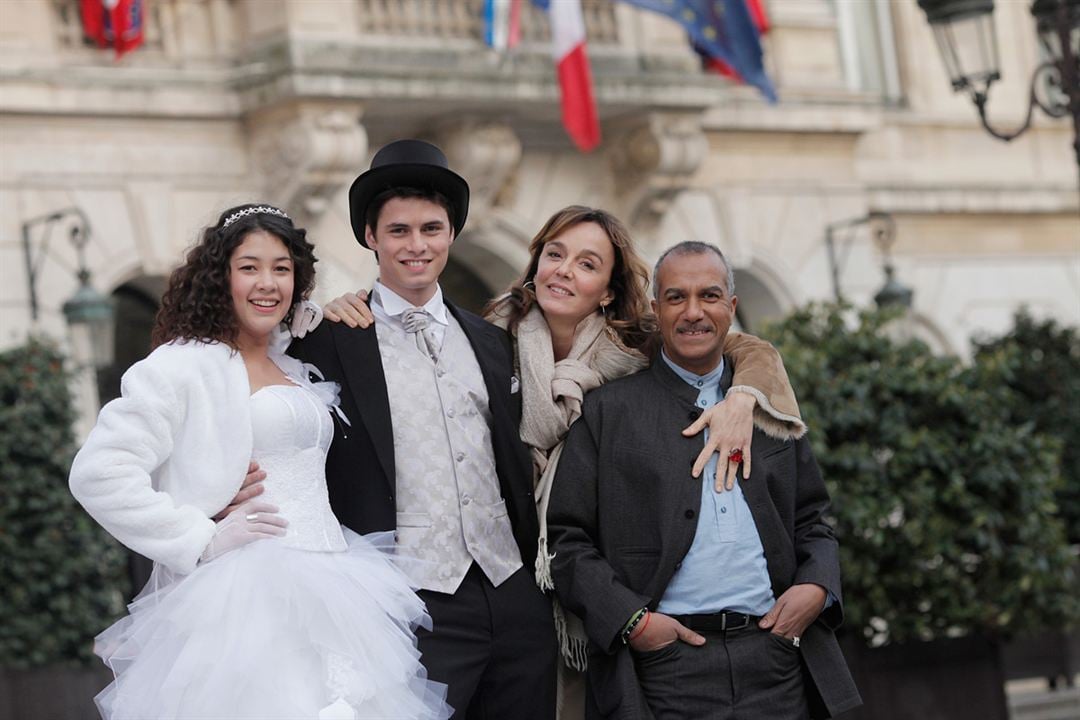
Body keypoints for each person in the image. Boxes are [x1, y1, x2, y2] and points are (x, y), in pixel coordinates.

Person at [323, 207, 808, 719]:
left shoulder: (636, 348)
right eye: (555, 255)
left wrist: (743, 397)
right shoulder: (492, 337)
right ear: (535, 265)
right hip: (517, 574)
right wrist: (359, 303)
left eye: (586, 263)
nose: (564, 270)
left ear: (607, 288)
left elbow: (735, 341)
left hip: (607, 581)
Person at [69, 204, 450, 720]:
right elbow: (99, 473)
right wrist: (200, 537)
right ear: (219, 277)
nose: (267, 283)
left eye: (281, 268)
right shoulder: (184, 364)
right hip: (248, 597)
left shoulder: (292, 360)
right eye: (249, 267)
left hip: (339, 584)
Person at [287, 140, 558, 719]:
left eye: (431, 229)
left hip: (512, 593)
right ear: (371, 237)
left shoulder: (490, 340)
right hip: (408, 601)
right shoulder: (330, 338)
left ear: (452, 234)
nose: (417, 245)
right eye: (399, 231)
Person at [546, 241, 862, 719]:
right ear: (656, 309)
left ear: (731, 307)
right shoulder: (609, 411)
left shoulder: (766, 407)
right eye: (676, 298)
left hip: (777, 658)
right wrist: (635, 623)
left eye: (709, 296)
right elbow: (567, 542)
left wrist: (816, 588)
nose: (693, 312)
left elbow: (813, 518)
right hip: (665, 668)